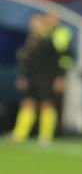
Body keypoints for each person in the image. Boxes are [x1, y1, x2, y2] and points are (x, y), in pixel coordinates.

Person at [11, 13, 70, 143]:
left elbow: (58, 61)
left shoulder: (49, 41)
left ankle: (45, 136)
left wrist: (59, 77)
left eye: (37, 23)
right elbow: (26, 62)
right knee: (28, 103)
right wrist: (23, 76)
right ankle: (20, 135)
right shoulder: (30, 41)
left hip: (46, 78)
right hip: (32, 78)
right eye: (33, 23)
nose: (34, 25)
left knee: (46, 104)